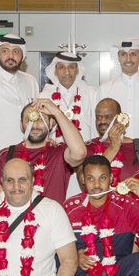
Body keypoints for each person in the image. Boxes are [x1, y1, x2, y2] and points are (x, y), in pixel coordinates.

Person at [0, 99, 87, 204]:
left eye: (40, 119)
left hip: (50, 219)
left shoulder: (59, 153)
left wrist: (56, 112)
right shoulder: (5, 155)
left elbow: (80, 153)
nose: (35, 125)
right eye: (29, 119)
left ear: (51, 124)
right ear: (21, 125)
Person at [39, 51, 97, 196]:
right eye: (62, 67)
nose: (67, 72)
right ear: (55, 71)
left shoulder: (91, 93)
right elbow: (38, 131)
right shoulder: (44, 97)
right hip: (56, 159)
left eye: (71, 67)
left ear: (78, 70)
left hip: (85, 157)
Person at [84, 97, 139, 185]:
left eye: (108, 117)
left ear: (120, 118)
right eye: (99, 117)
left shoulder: (138, 147)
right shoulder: (88, 147)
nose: (103, 121)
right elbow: (84, 183)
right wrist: (113, 148)